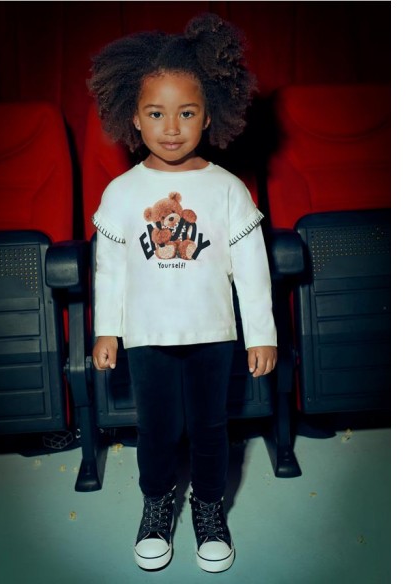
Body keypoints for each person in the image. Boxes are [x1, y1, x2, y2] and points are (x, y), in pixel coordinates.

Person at [89, 12, 277, 573]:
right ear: (134, 117)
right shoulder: (122, 193)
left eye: (186, 112)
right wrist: (107, 329)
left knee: (211, 428)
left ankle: (210, 508)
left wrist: (261, 334)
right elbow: (110, 270)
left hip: (213, 334)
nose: (171, 127)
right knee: (156, 430)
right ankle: (156, 504)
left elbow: (252, 269)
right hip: (147, 336)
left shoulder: (227, 190)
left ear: (209, 114)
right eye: (156, 113)